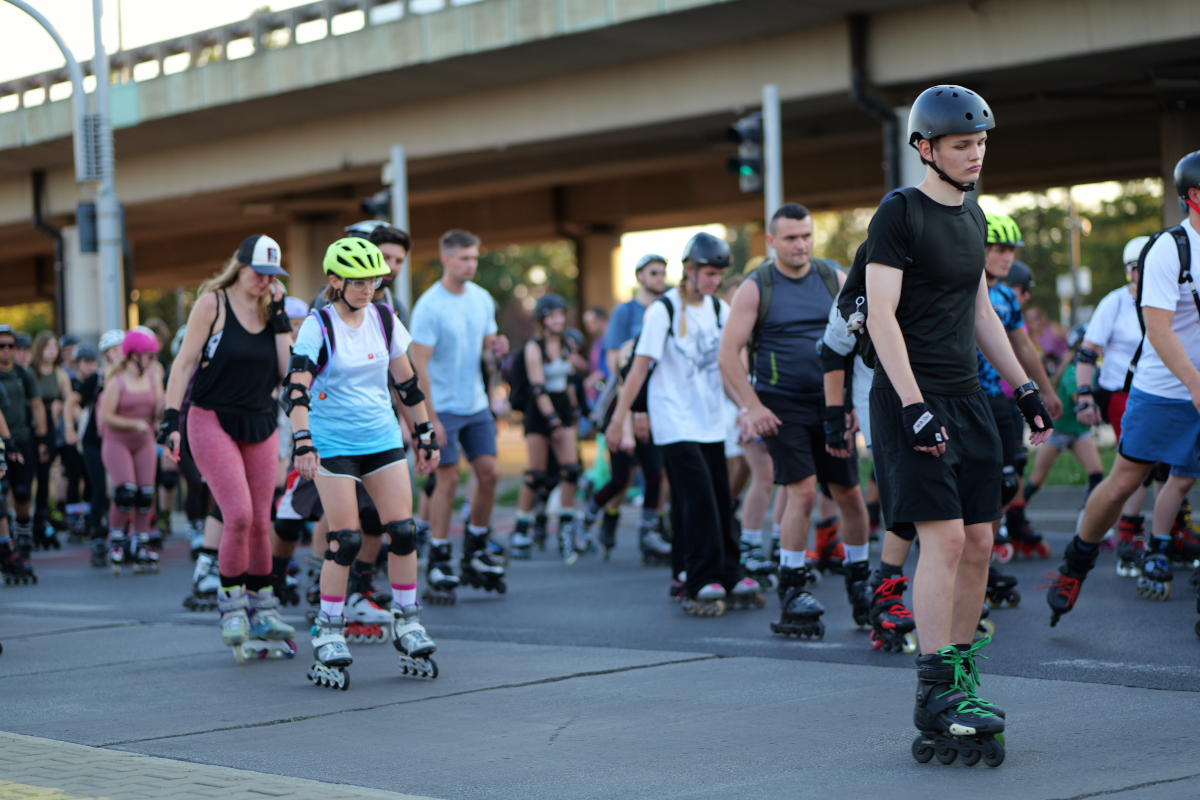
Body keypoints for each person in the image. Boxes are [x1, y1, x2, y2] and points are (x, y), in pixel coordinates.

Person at [866, 86, 1052, 766]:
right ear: (926, 147)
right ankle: (934, 688)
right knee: (941, 541)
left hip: (968, 395)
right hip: (909, 396)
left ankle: (963, 682)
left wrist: (1026, 386)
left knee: (980, 541)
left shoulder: (974, 217)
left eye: (980, 144)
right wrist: (913, 404)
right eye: (960, 145)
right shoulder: (900, 214)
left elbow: (981, 315)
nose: (974, 155)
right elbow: (882, 318)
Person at [1046, 151, 1200, 626]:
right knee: (1123, 484)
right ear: (1195, 197)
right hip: (1165, 392)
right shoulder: (1169, 250)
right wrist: (1196, 385)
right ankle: (1076, 562)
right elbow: (1159, 330)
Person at [284, 237, 441, 688]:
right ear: (335, 281)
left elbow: (407, 385)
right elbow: (294, 391)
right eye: (358, 281)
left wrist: (424, 432)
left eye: (374, 279)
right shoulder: (319, 325)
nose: (368, 287)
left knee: (404, 531)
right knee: (346, 539)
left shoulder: (386, 319)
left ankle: (408, 622)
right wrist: (303, 442)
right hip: (332, 443)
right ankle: (329, 629)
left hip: (381, 438)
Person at [720, 203, 870, 638]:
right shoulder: (756, 286)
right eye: (790, 237)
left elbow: (858, 341)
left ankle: (860, 581)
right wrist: (751, 406)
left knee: (851, 495)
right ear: (771, 242)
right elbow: (728, 354)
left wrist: (854, 401)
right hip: (780, 404)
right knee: (802, 493)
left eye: (805, 235)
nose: (800, 244)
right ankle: (792, 586)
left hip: (831, 402)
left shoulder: (833, 278)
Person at [607, 232, 760, 616]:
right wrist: (620, 418)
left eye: (719, 275)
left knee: (720, 497)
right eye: (708, 273)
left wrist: (745, 407)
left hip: (709, 419)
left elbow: (733, 363)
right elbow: (638, 369)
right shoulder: (665, 310)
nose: (713, 281)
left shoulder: (719, 310)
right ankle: (700, 578)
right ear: (689, 270)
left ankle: (722, 570)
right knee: (700, 499)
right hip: (674, 420)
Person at [160, 234, 296, 658]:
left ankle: (263, 607)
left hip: (260, 419)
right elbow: (183, 365)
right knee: (236, 515)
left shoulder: (273, 309)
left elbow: (286, 371)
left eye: (273, 275)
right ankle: (232, 604)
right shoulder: (213, 304)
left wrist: (280, 320)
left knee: (261, 520)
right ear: (240, 266)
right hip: (210, 418)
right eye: (259, 272)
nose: (265, 282)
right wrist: (169, 420)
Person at [409, 230, 510, 602]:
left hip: (476, 403)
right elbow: (418, 365)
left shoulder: (482, 299)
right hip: (443, 406)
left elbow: (488, 343)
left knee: (490, 474)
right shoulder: (430, 306)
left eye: (474, 258)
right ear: (446, 259)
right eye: (464, 258)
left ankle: (476, 547)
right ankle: (437, 554)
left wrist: (498, 346)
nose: (471, 265)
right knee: (447, 481)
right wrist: (430, 418)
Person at [584, 253, 672, 563]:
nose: (660, 278)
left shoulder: (667, 308)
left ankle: (649, 532)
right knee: (621, 477)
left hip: (657, 403)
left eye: (663, 273)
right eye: (653, 273)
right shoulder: (626, 312)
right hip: (625, 401)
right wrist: (631, 413)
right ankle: (594, 517)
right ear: (639, 276)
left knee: (655, 474)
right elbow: (615, 365)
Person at [1074, 236, 1154, 575]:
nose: (1144, 273)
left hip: (1162, 394)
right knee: (1140, 466)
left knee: (1169, 466)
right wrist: (1084, 396)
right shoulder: (1115, 303)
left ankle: (1168, 532)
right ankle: (1127, 537)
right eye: (1137, 268)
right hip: (1123, 394)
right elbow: (1087, 352)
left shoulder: (1168, 298)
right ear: (1128, 271)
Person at [510, 294, 586, 562]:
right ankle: (521, 529)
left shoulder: (567, 343)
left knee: (571, 470)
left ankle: (566, 529)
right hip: (539, 412)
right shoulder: (534, 346)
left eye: (561, 315)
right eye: (552, 315)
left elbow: (567, 381)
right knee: (537, 474)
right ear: (542, 320)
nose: (558, 320)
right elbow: (538, 386)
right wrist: (552, 419)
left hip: (562, 407)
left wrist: (574, 410)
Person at [98, 328, 163, 575]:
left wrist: (163, 406)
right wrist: (133, 424)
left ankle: (141, 541)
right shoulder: (117, 381)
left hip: (144, 441)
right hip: (117, 442)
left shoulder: (152, 378)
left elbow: (156, 413)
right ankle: (115, 540)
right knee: (126, 492)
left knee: (146, 494)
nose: (153, 361)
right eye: (149, 356)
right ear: (134, 355)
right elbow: (105, 417)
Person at [0, 324, 49, 563]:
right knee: (2, 491)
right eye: (2, 346)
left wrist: (42, 439)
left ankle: (23, 531)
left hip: (22, 440)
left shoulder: (23, 374)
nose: (6, 350)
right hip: (1, 442)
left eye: (11, 345)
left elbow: (37, 405)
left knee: (22, 490)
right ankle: (5, 537)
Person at [313, 221, 412, 329]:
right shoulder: (328, 303)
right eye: (385, 257)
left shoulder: (398, 307)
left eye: (399, 261)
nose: (391, 266)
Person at [29, 331, 72, 550]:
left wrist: (61, 408)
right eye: (48, 346)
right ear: (40, 349)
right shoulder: (31, 371)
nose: (52, 350)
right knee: (29, 475)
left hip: (51, 429)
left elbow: (70, 399)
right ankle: (24, 522)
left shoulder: (59, 374)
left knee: (46, 475)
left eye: (55, 346)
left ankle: (41, 519)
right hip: (31, 428)